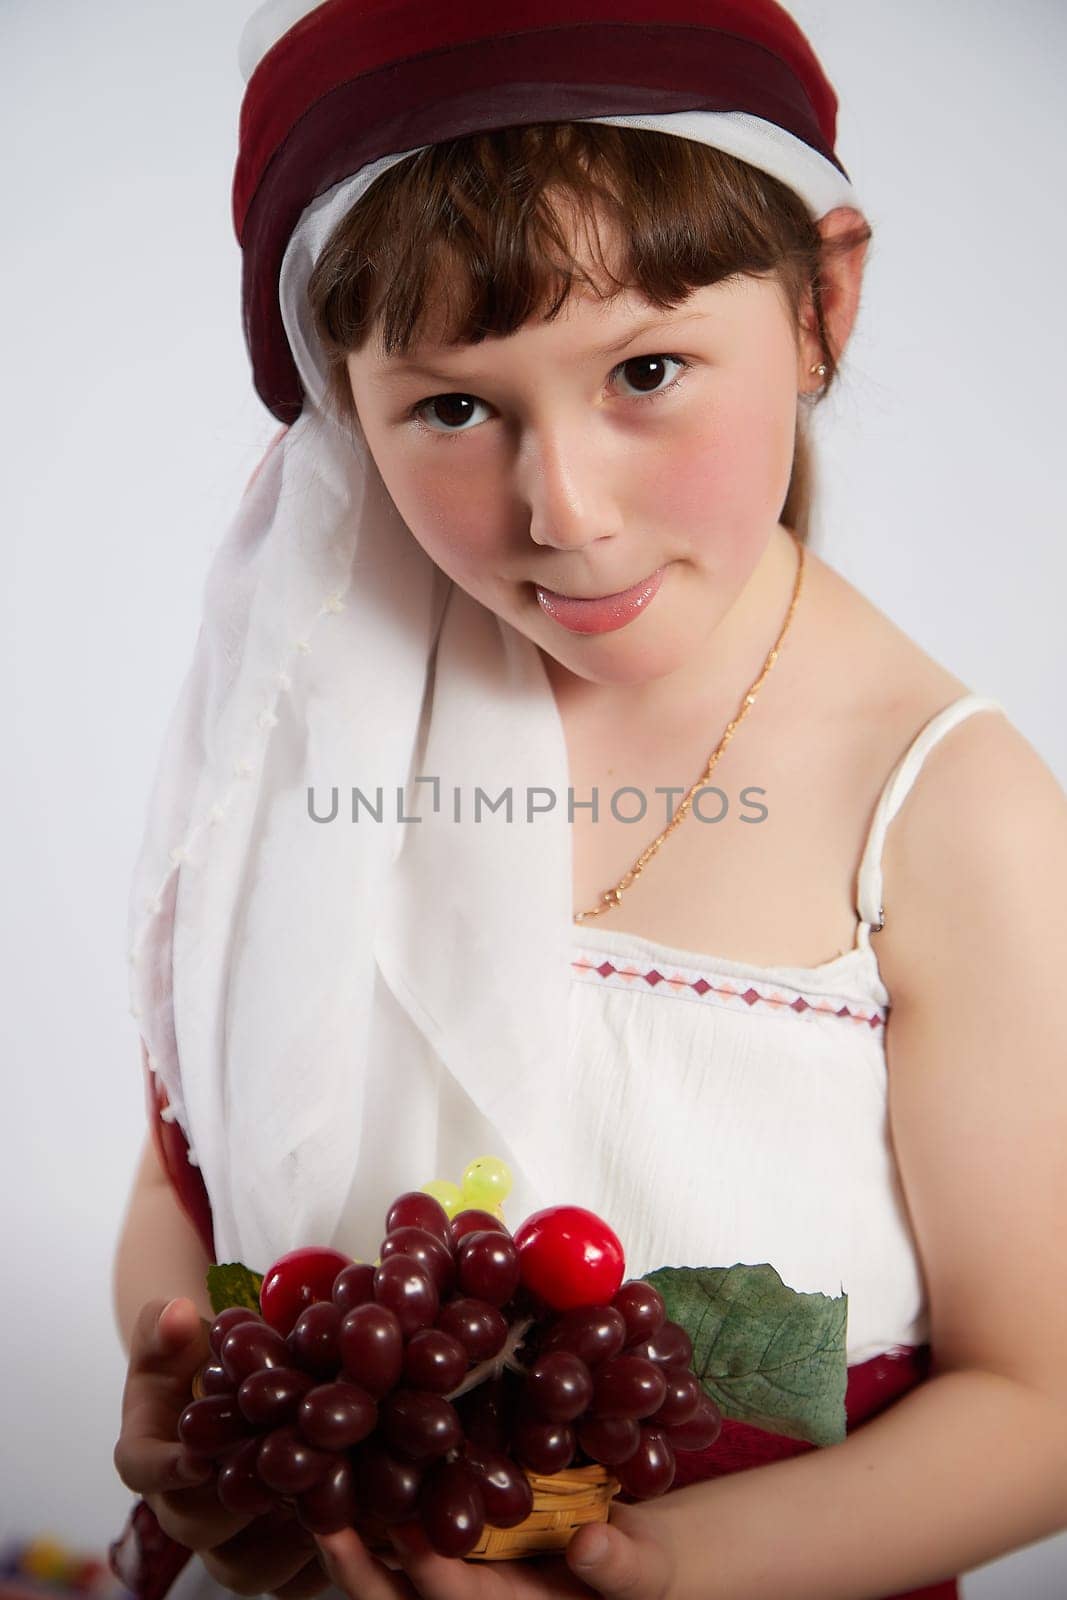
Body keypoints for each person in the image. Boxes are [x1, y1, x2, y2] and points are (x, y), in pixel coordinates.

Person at [110, 2, 1067, 1599]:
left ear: (824, 301)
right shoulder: (323, 720)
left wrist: (647, 1572)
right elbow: (179, 1175)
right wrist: (192, 1405)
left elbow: (1042, 1402)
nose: (565, 511)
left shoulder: (947, 809)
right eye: (455, 409)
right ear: (348, 406)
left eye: (646, 370)